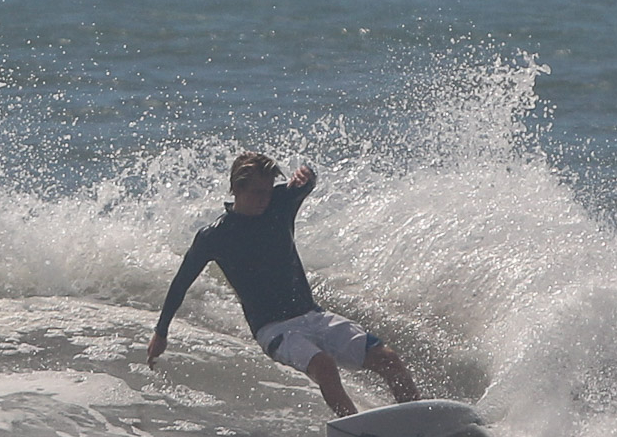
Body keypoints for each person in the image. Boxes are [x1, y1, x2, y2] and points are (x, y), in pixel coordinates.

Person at [147, 152, 421, 417]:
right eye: (257, 193)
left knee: (387, 357)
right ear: (236, 189)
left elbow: (307, 183)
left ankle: (421, 421)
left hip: (313, 314)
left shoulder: (279, 203)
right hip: (273, 329)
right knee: (323, 365)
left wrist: (308, 174)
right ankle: (358, 433)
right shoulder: (213, 236)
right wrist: (161, 333)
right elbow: (181, 283)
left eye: (268, 191)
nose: (264, 199)